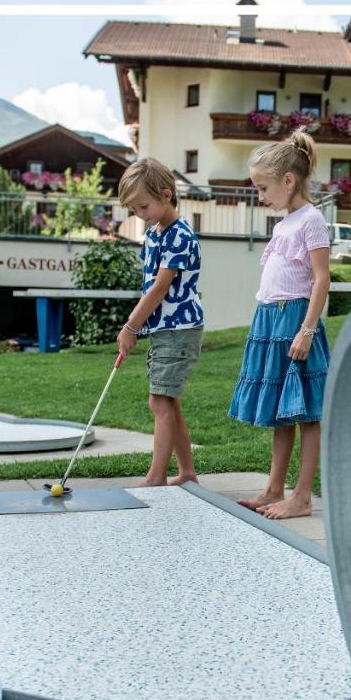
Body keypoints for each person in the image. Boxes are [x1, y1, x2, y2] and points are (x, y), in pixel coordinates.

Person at [229, 129, 331, 519]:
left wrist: (307, 330)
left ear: (289, 180)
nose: (260, 196)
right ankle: (274, 487)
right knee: (282, 412)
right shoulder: (283, 224)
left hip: (296, 322)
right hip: (271, 321)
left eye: (263, 188)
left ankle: (302, 496)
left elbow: (321, 279)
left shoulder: (312, 220)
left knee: (306, 413)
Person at [116, 158, 203, 487]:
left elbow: (159, 287)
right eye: (134, 209)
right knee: (169, 401)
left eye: (143, 206)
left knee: (159, 400)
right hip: (165, 328)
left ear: (167, 195)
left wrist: (130, 327)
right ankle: (187, 472)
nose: (140, 214)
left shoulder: (180, 236)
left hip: (179, 328)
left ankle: (157, 477)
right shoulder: (155, 233)